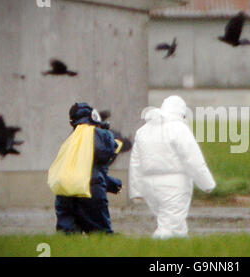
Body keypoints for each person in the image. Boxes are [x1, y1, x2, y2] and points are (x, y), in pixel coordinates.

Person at [129, 95, 216, 239]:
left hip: (149, 186)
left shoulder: (143, 130)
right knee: (170, 227)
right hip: (174, 185)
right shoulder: (179, 129)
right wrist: (207, 183)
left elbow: (136, 163)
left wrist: (136, 191)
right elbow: (192, 159)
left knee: (175, 224)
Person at [55, 103, 123, 234]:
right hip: (90, 189)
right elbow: (99, 166)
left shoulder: (71, 139)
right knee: (101, 234)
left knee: (67, 235)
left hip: (63, 190)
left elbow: (78, 171)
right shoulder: (100, 135)